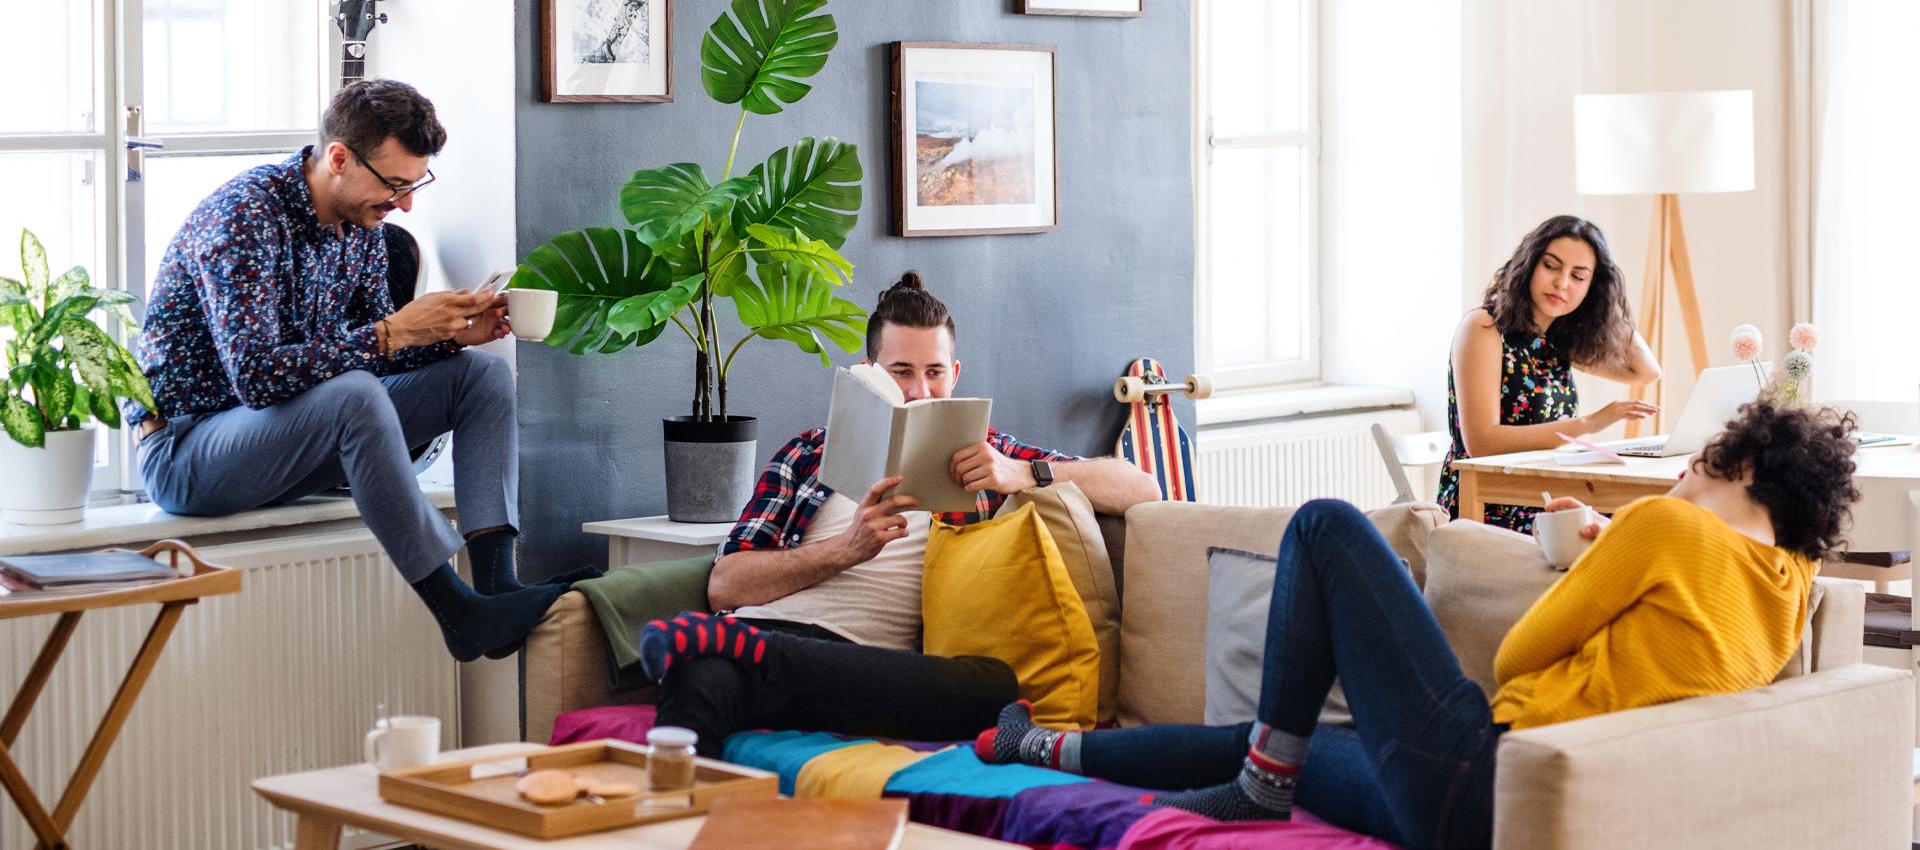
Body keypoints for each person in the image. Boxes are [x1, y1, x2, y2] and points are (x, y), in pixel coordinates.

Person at [974, 400, 1860, 850]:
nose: (1676, 481)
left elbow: (1518, 654)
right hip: (1491, 820)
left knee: (1325, 525)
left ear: (1737, 462)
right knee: (1271, 744)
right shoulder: (1793, 590)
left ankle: (1256, 784)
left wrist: (1614, 538)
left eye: (1695, 467)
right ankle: (1039, 748)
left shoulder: (1666, 528)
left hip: (1484, 771)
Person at [131, 80, 595, 663]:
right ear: (339, 158)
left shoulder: (361, 228)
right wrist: (396, 331)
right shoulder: (244, 218)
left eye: (414, 185)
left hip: (287, 444)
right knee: (352, 394)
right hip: (189, 450)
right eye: (395, 185)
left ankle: (497, 587)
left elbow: (373, 351)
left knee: (481, 376)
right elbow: (257, 378)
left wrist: (446, 337)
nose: (404, 205)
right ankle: (458, 612)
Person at [637, 272, 1163, 757]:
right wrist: (846, 550)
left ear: (954, 375)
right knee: (697, 676)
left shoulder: (991, 457)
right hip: (766, 631)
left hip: (872, 672)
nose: (919, 391)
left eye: (934, 372)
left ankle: (732, 647)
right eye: (901, 372)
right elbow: (725, 586)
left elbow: (1141, 486)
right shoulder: (809, 454)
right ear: (871, 375)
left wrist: (1022, 475)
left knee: (993, 688)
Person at [1437, 215, 1662, 533]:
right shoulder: (1484, 328)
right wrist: (1587, 424)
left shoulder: (1557, 341)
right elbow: (1482, 442)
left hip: (1546, 497)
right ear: (1528, 265)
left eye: (1578, 276)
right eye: (1551, 266)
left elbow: (1646, 370)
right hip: (1486, 503)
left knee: (1648, 524)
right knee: (1621, 537)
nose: (1562, 283)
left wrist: (1604, 302)